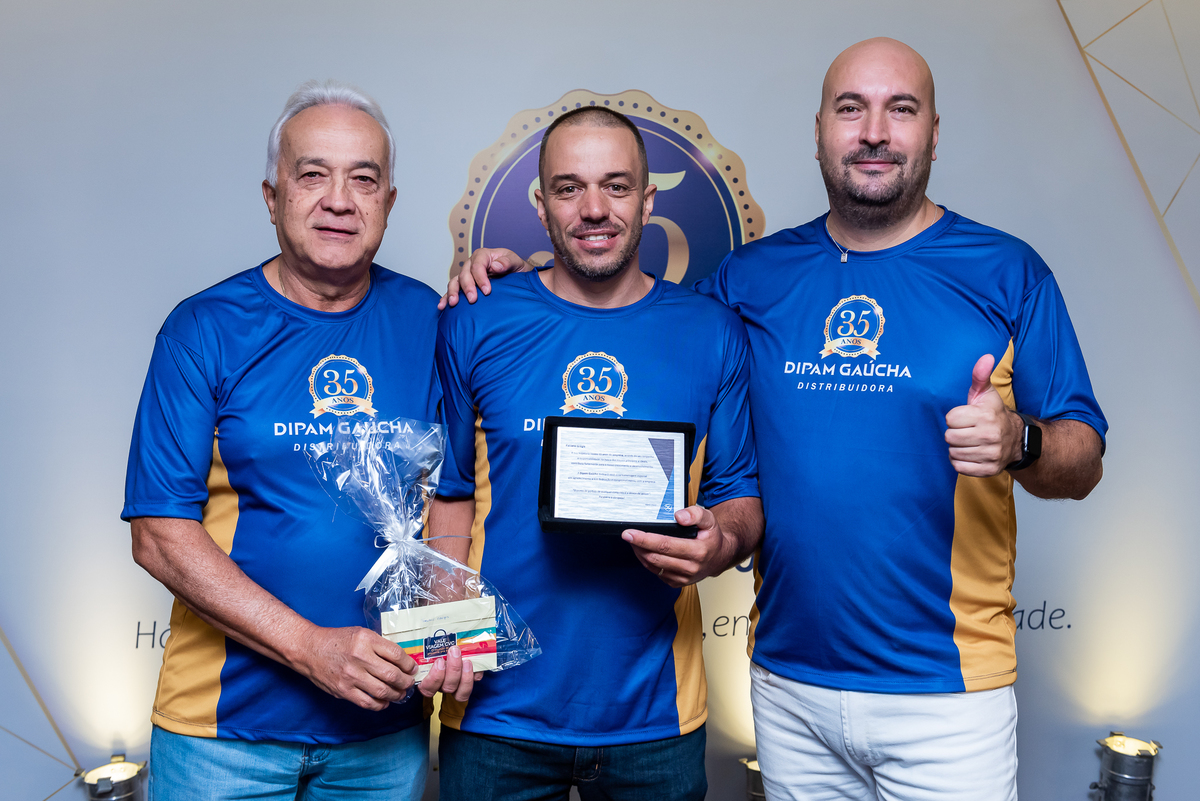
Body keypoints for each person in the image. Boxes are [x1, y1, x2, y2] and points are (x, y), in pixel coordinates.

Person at [444, 38, 1107, 801]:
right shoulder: (746, 282)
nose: (874, 132)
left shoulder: (1009, 271)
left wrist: (1021, 439)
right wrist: (513, 280)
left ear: (933, 132)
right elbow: (624, 317)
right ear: (819, 130)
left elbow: (1084, 459)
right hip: (788, 685)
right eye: (851, 109)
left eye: (900, 109)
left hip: (947, 691)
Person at [122, 80, 471, 801]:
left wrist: (448, 633)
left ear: (389, 203)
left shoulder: (435, 321)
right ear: (271, 195)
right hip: (220, 737)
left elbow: (453, 495)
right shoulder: (203, 329)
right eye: (313, 174)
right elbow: (158, 535)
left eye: (363, 179)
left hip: (384, 727)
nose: (339, 200)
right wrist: (311, 648)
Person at [427, 106, 764, 801]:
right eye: (569, 187)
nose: (593, 209)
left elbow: (740, 495)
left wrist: (721, 542)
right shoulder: (477, 318)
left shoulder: (711, 331)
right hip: (495, 713)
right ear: (541, 203)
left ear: (648, 199)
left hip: (656, 719)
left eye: (616, 185)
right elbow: (448, 494)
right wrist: (442, 640)